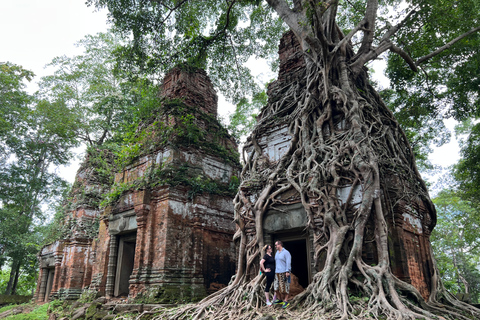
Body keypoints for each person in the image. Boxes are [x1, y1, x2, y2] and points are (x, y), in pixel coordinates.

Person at [273, 240, 291, 309]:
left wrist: (287, 271)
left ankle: (286, 301)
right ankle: (280, 299)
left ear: (280, 245)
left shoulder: (286, 252)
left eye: (276, 245)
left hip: (284, 272)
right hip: (277, 272)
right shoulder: (277, 253)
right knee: (276, 288)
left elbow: (288, 262)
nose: (275, 246)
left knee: (285, 287)